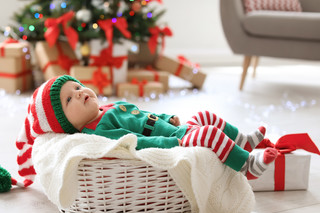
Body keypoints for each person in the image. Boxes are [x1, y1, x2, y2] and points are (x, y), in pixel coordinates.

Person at [15, 75, 277, 188]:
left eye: (77, 86)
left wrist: (167, 117)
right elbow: (136, 141)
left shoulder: (111, 107)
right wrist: (173, 140)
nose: (80, 92)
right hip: (175, 140)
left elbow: (143, 115)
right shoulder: (99, 131)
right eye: (69, 99)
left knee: (205, 115)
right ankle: (247, 166)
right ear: (65, 124)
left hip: (176, 128)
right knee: (207, 132)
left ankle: (241, 139)